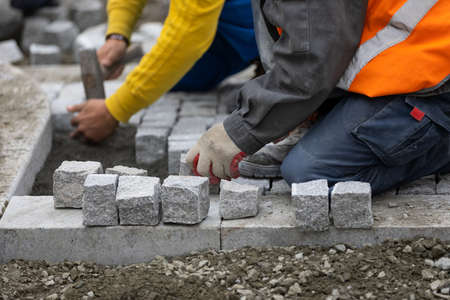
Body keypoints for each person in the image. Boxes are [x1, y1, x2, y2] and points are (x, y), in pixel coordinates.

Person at [186, 0, 450, 195]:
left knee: (310, 173)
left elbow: (315, 54)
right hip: (400, 55)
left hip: (436, 72)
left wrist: (241, 130)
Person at [69, 0, 258, 142]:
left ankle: (275, 72)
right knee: (175, 77)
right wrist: (118, 35)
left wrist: (115, 109)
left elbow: (187, 31)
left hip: (278, 23)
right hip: (222, 19)